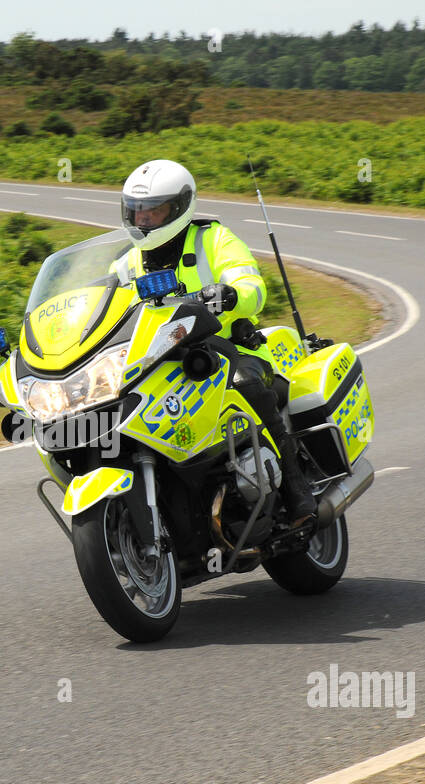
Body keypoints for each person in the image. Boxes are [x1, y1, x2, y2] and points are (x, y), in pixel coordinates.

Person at [113, 159, 316, 527]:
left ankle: (296, 488)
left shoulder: (213, 239)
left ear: (177, 208)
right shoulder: (125, 263)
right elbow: (105, 310)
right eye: (136, 211)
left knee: (245, 385)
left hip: (227, 350)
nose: (142, 220)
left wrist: (232, 294)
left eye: (153, 211)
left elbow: (253, 286)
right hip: (158, 362)